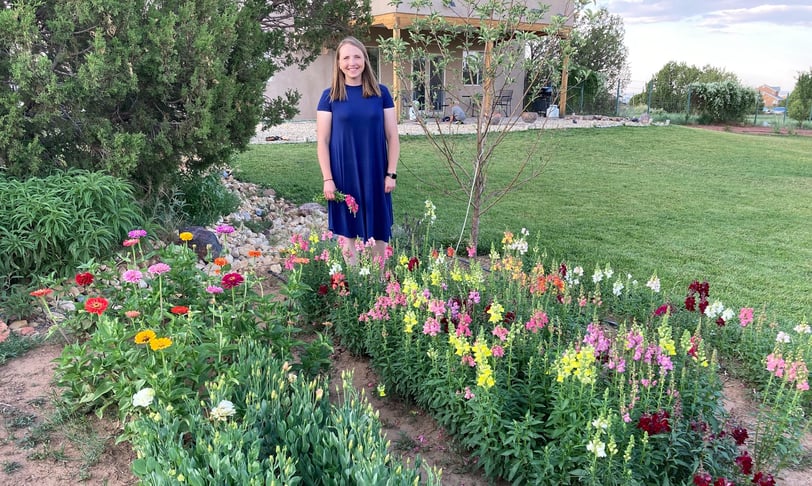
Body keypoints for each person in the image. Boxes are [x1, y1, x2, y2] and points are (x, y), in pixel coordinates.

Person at [316, 37, 400, 266]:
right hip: (343, 174)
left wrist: (391, 173)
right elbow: (322, 141)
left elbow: (392, 136)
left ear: (365, 59)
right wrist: (328, 179)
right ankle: (353, 286)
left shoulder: (380, 93)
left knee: (379, 231)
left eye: (357, 56)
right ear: (338, 63)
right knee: (348, 232)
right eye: (346, 57)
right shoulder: (330, 96)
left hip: (376, 172)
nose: (352, 62)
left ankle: (379, 285)